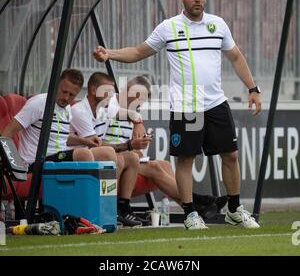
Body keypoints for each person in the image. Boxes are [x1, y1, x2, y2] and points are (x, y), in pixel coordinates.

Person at [93, 0, 261, 230]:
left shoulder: (218, 24)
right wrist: (110, 54)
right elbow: (139, 52)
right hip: (185, 106)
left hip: (216, 102)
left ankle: (235, 209)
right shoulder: (169, 27)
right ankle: (191, 213)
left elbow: (235, 56)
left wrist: (252, 88)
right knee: (185, 159)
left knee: (231, 155)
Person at [103, 75, 227, 219]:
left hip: (126, 159)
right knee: (154, 167)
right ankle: (197, 201)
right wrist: (136, 122)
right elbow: (111, 119)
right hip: (111, 157)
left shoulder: (133, 114)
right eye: (140, 100)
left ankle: (191, 210)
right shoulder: (110, 103)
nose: (140, 105)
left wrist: (139, 145)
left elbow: (134, 149)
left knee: (165, 165)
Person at [68, 72, 151, 227]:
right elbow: (95, 145)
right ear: (94, 91)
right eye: (108, 92)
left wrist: (138, 120)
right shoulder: (80, 110)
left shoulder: (103, 109)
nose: (112, 96)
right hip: (76, 156)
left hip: (91, 154)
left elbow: (129, 113)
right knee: (111, 154)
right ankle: (108, 209)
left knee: (132, 157)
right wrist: (128, 146)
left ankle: (124, 208)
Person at [2, 68, 117, 171]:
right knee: (83, 154)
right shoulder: (39, 103)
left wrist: (85, 141)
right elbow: (9, 131)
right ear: (57, 85)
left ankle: (107, 195)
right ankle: (87, 194)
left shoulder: (66, 108)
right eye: (64, 92)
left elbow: (61, 137)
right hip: (36, 162)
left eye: (72, 95)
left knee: (107, 152)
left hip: (58, 157)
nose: (66, 98)